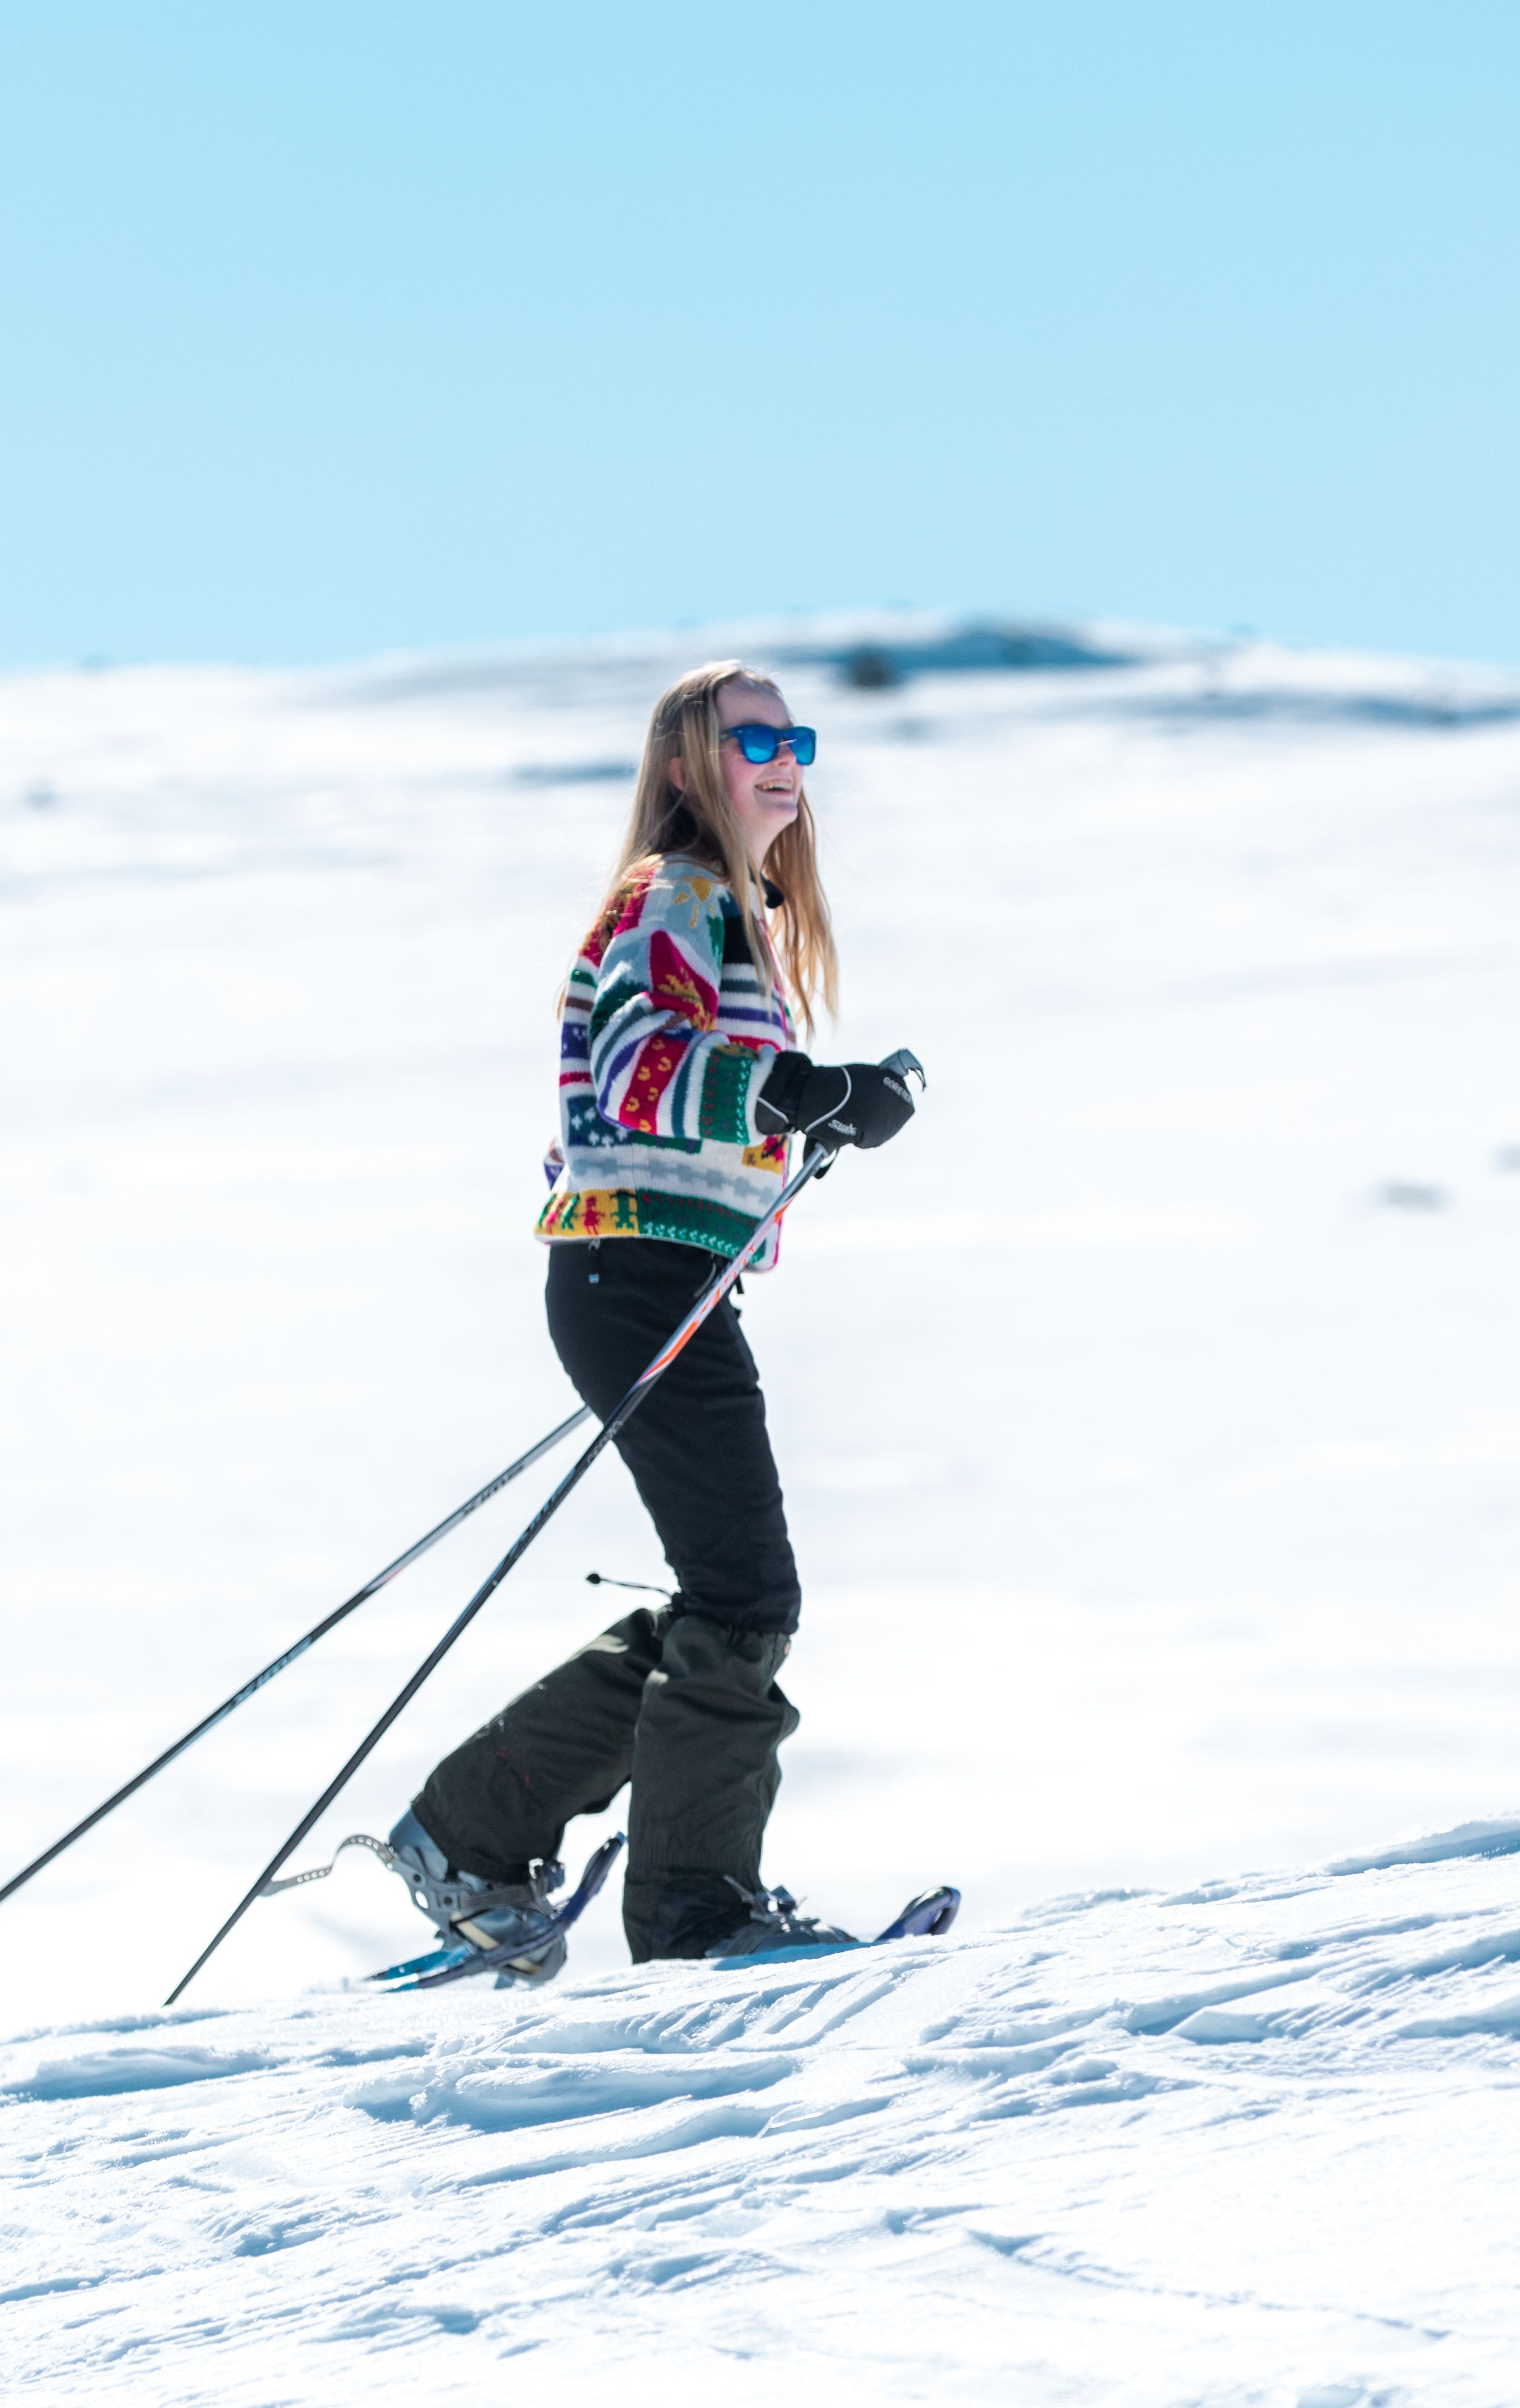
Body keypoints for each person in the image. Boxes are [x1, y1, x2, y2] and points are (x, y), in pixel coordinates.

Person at [379, 662, 920, 1982]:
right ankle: (689, 1909)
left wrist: (819, 1103)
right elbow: (639, 1069)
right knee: (746, 1593)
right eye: (752, 741)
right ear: (685, 767)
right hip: (635, 1279)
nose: (783, 760)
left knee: (727, 1593)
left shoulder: (722, 910)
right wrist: (795, 1087)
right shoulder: (671, 897)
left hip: (657, 1280)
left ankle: (473, 1829)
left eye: (796, 738)